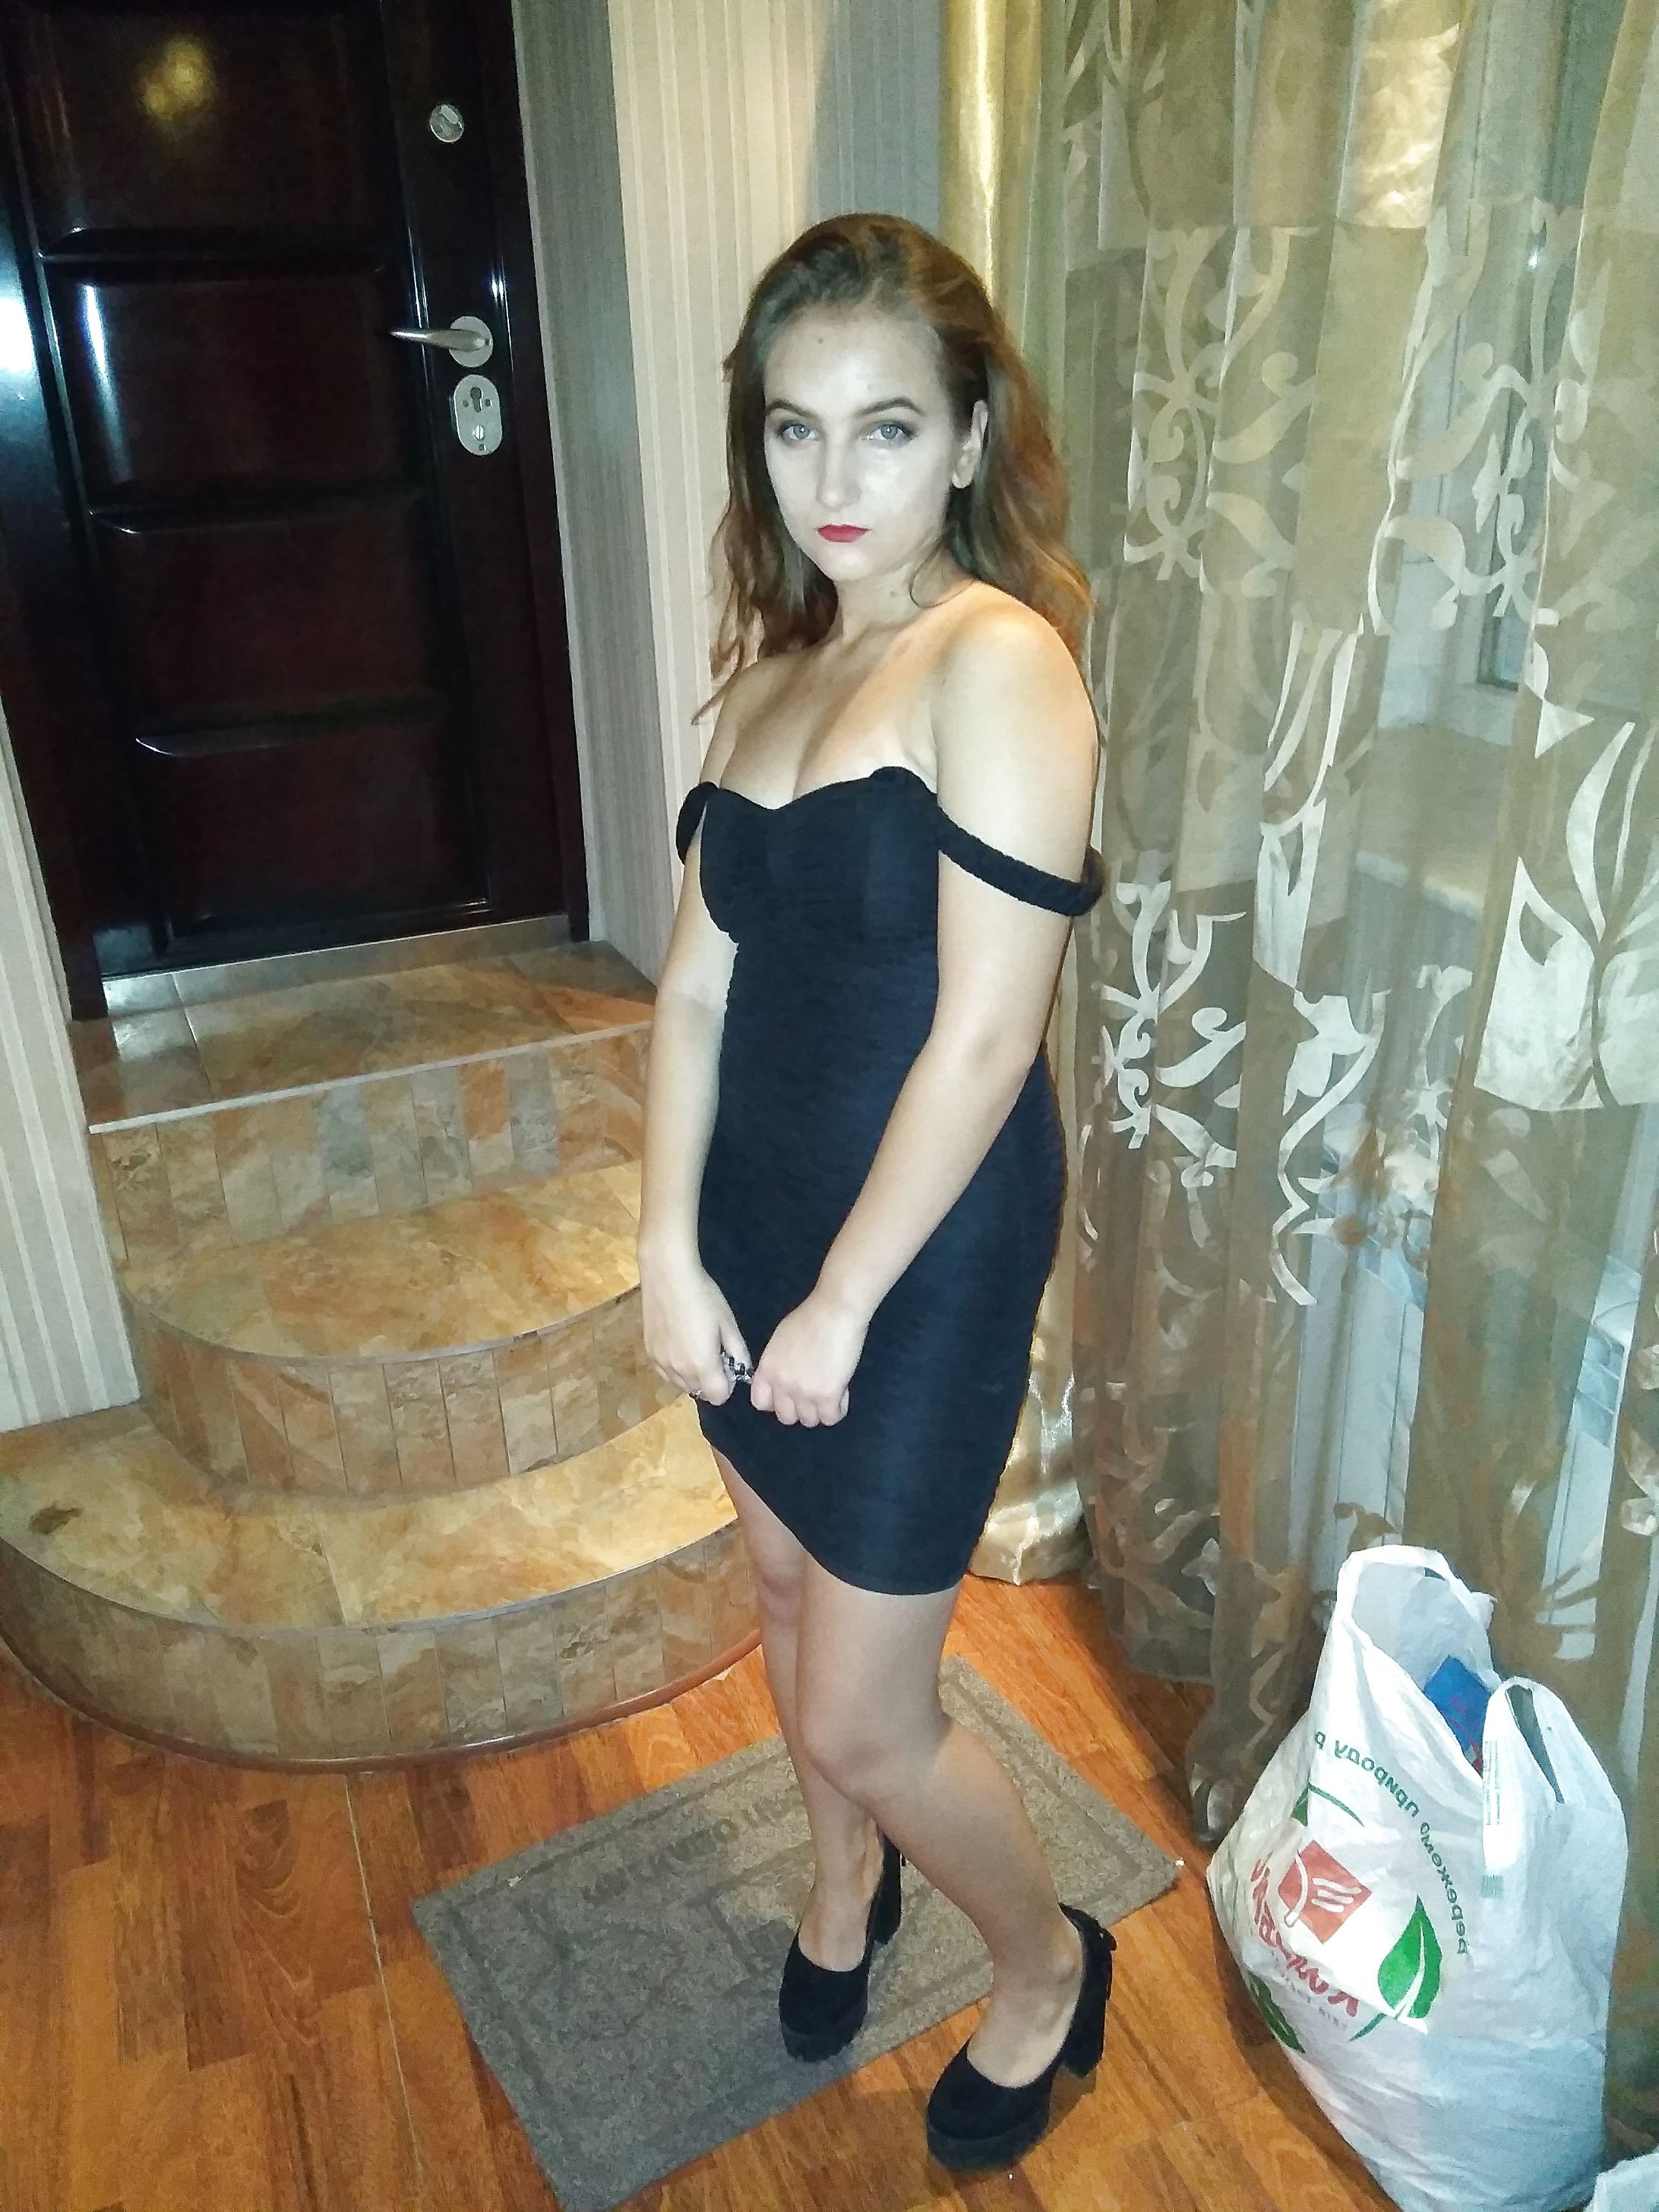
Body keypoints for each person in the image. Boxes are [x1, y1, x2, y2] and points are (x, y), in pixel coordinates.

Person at [637, 211, 1111, 2173]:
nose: (833, 481)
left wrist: (839, 1301)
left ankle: (1048, 1965)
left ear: (971, 434)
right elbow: (693, 997)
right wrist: (666, 1245)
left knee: (865, 1718)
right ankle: (846, 1888)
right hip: (754, 1232)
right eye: (793, 429)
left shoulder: (998, 662)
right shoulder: (773, 673)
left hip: (916, 1263)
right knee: (777, 1587)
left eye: (887, 428)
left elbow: (988, 1040)